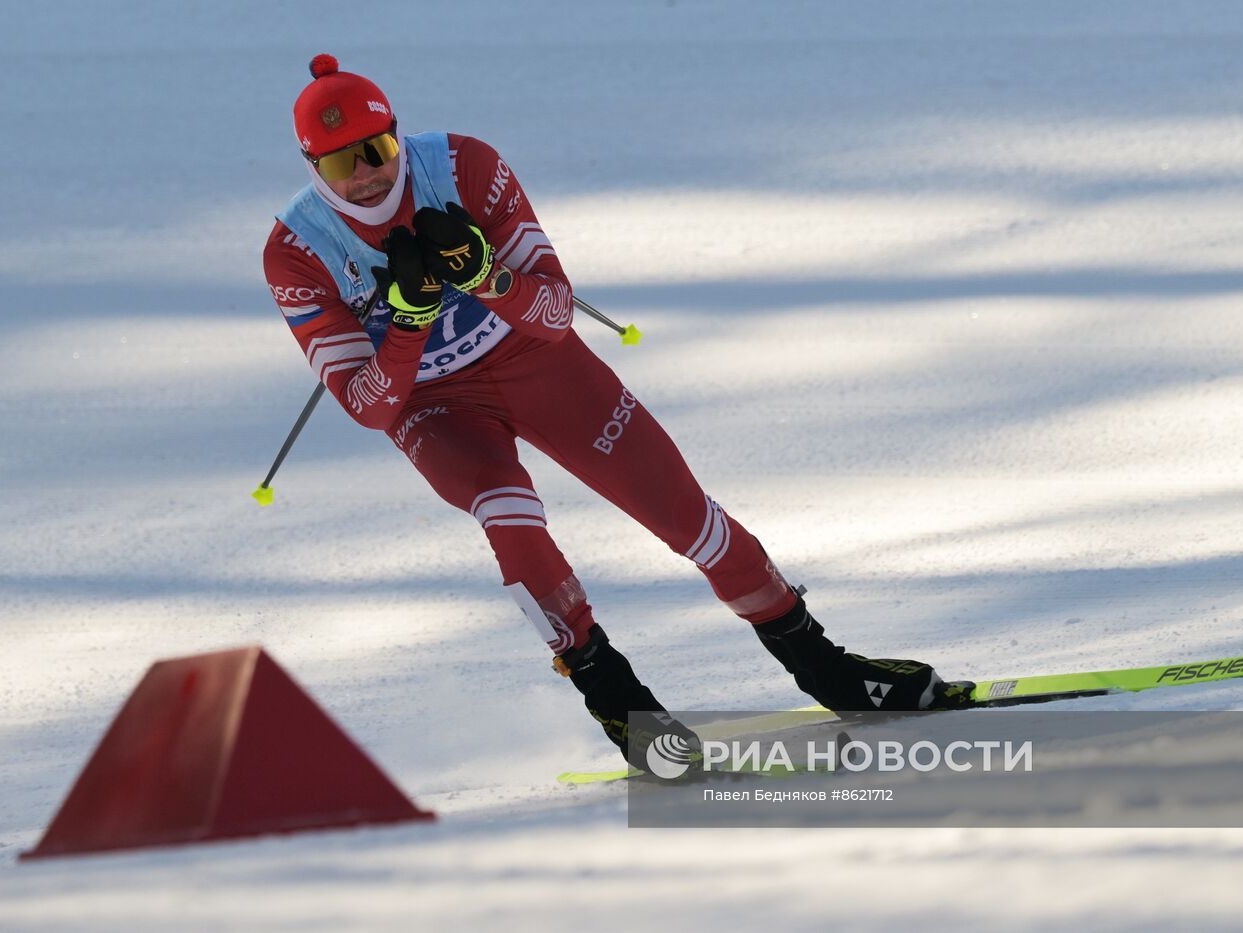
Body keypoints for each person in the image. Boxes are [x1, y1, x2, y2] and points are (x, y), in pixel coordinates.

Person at [264, 55, 968, 772]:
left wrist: (487, 278)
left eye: (378, 151)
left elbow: (555, 311)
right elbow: (368, 404)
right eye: (344, 163)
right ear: (312, 166)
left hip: (536, 364)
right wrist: (410, 321)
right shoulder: (296, 250)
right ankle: (619, 702)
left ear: (396, 136)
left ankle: (828, 669)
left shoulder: (461, 165)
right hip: (436, 405)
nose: (369, 175)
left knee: (685, 514)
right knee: (506, 508)